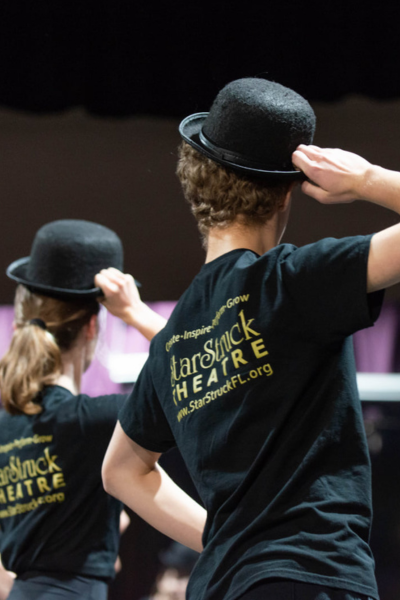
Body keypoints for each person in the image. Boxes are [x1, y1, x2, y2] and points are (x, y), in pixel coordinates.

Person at [101, 76, 399, 600]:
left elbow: (121, 471)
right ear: (288, 188)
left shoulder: (174, 339)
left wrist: (224, 540)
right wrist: (367, 179)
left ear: (196, 181)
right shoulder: (293, 281)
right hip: (310, 573)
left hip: (221, 585)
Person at [0, 219, 165, 600]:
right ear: (94, 326)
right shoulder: (99, 420)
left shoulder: (6, 427)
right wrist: (136, 313)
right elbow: (207, 373)